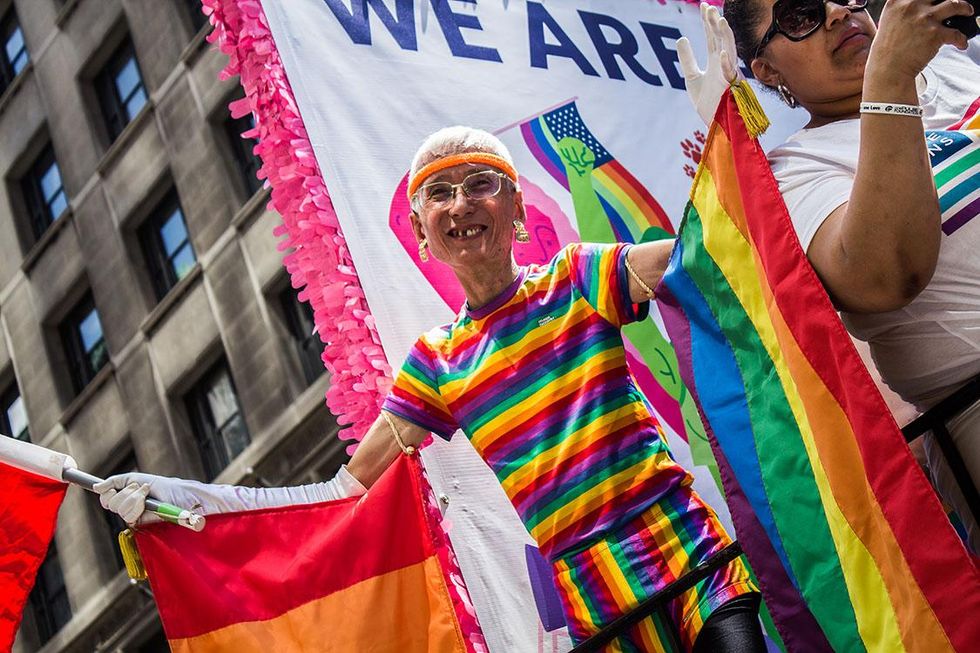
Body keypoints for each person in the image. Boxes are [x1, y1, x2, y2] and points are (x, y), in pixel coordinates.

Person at [97, 128, 766, 651]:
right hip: (594, 597)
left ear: (517, 209)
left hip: (684, 548)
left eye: (481, 183)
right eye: (439, 192)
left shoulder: (576, 278)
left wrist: (743, 157)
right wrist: (190, 502)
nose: (461, 203)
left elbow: (693, 256)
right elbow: (344, 492)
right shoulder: (437, 362)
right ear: (422, 232)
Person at [677, 0, 980, 552]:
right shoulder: (793, 172)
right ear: (767, 69)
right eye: (800, 15)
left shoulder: (952, 64)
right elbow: (885, 276)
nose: (840, 12)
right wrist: (890, 79)